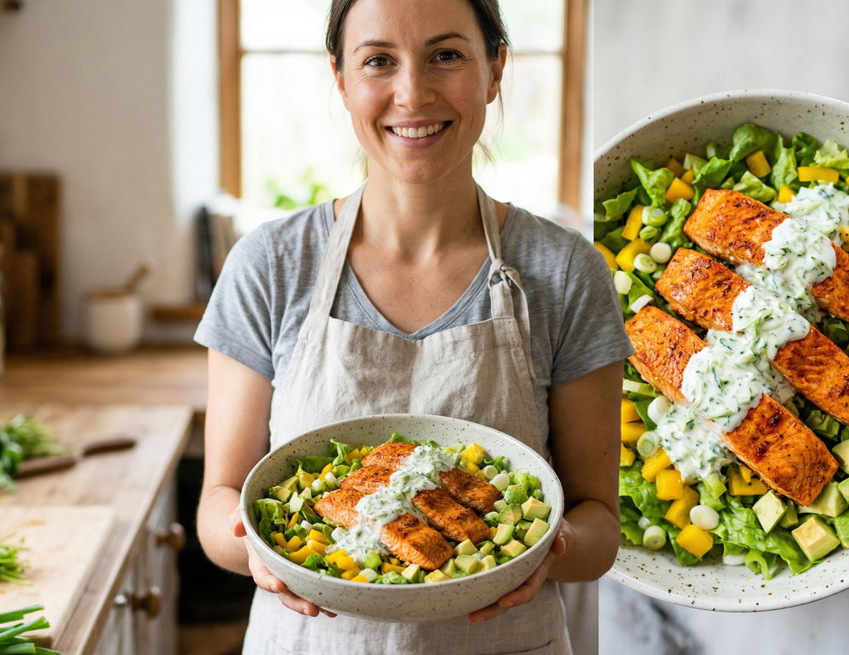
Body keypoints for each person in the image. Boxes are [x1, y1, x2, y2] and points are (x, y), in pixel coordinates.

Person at [194, 0, 630, 652]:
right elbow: (219, 500)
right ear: (341, 79)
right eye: (378, 61)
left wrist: (547, 545)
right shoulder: (271, 263)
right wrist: (257, 550)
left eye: (446, 55)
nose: (412, 93)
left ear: (495, 70)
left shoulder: (565, 272)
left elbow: (598, 523)